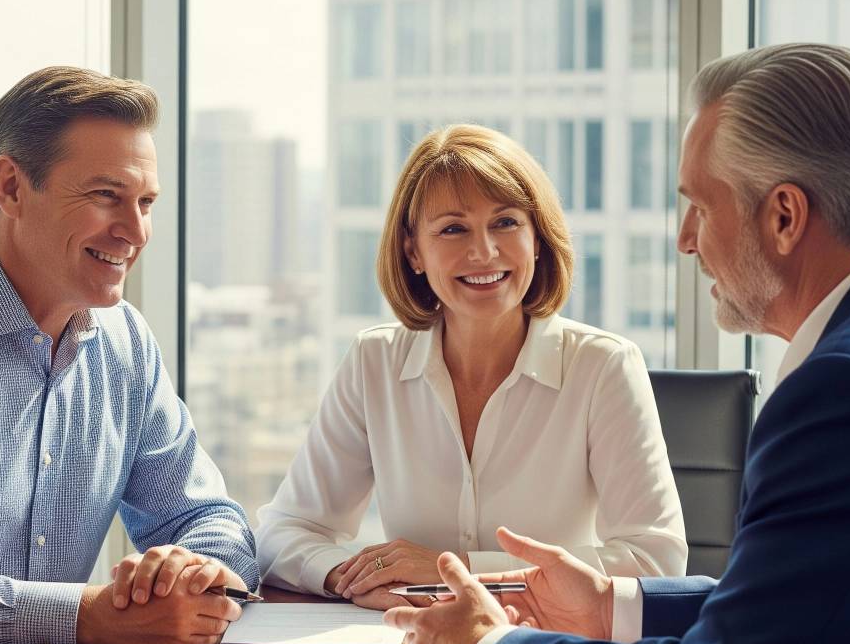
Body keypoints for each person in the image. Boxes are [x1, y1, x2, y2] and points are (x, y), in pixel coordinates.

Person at [386, 44, 850, 644]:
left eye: (699, 206)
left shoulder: (849, 392)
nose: (685, 240)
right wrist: (611, 605)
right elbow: (808, 605)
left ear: (784, 216)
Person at [256, 124, 686, 610]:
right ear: (413, 252)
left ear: (537, 239)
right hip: (406, 642)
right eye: (453, 229)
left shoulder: (602, 366)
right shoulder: (373, 361)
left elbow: (656, 560)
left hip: (544, 643)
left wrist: (457, 570)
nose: (483, 251)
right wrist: (356, 577)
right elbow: (283, 531)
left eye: (506, 223)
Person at [0, 66, 259, 644]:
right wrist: (84, 617)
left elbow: (210, 516)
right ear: (10, 187)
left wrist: (190, 571)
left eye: (146, 202)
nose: (135, 231)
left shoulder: (124, 340)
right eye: (106, 195)